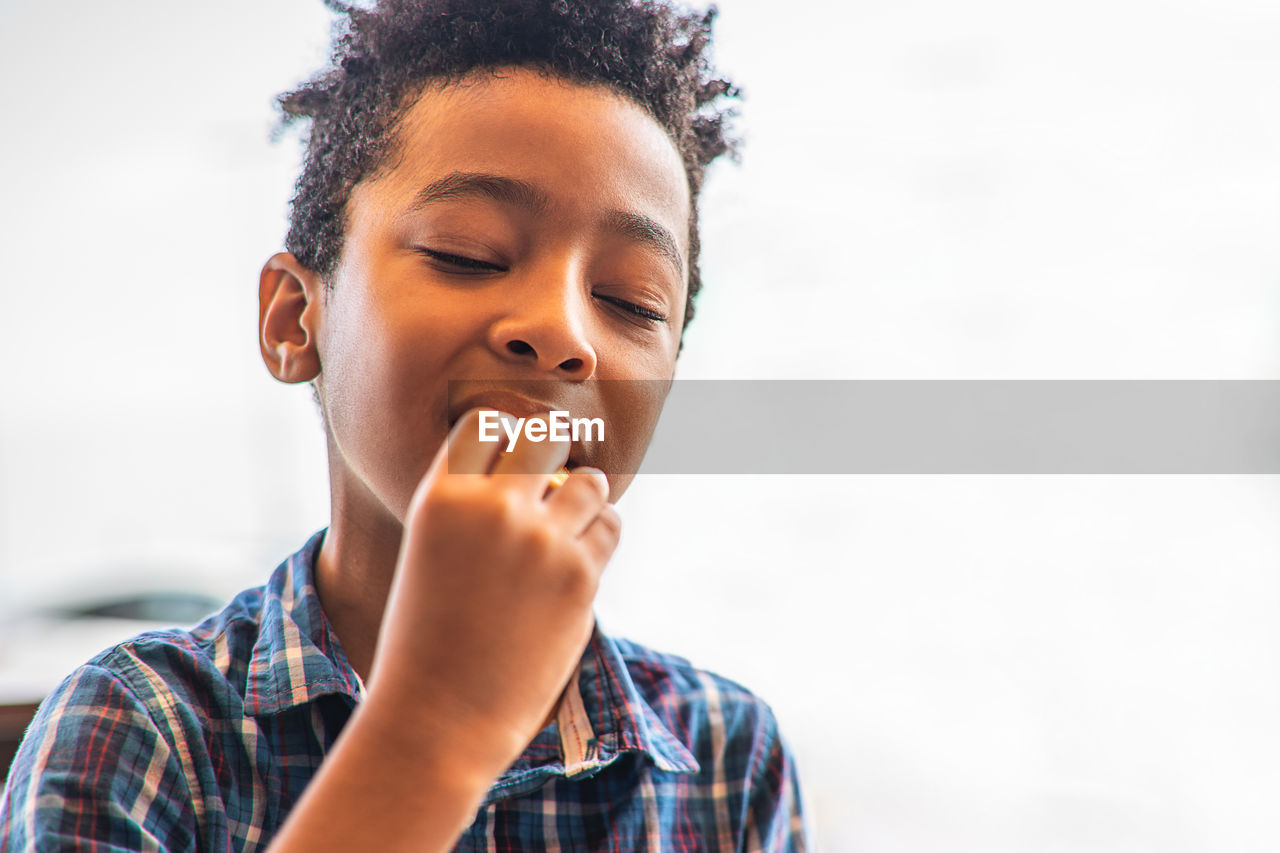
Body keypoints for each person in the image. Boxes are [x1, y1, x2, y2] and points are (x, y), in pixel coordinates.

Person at [0, 0, 807, 849]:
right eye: (467, 254)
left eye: (630, 301)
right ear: (292, 319)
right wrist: (436, 723)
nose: (564, 329)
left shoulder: (727, 761)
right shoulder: (138, 728)